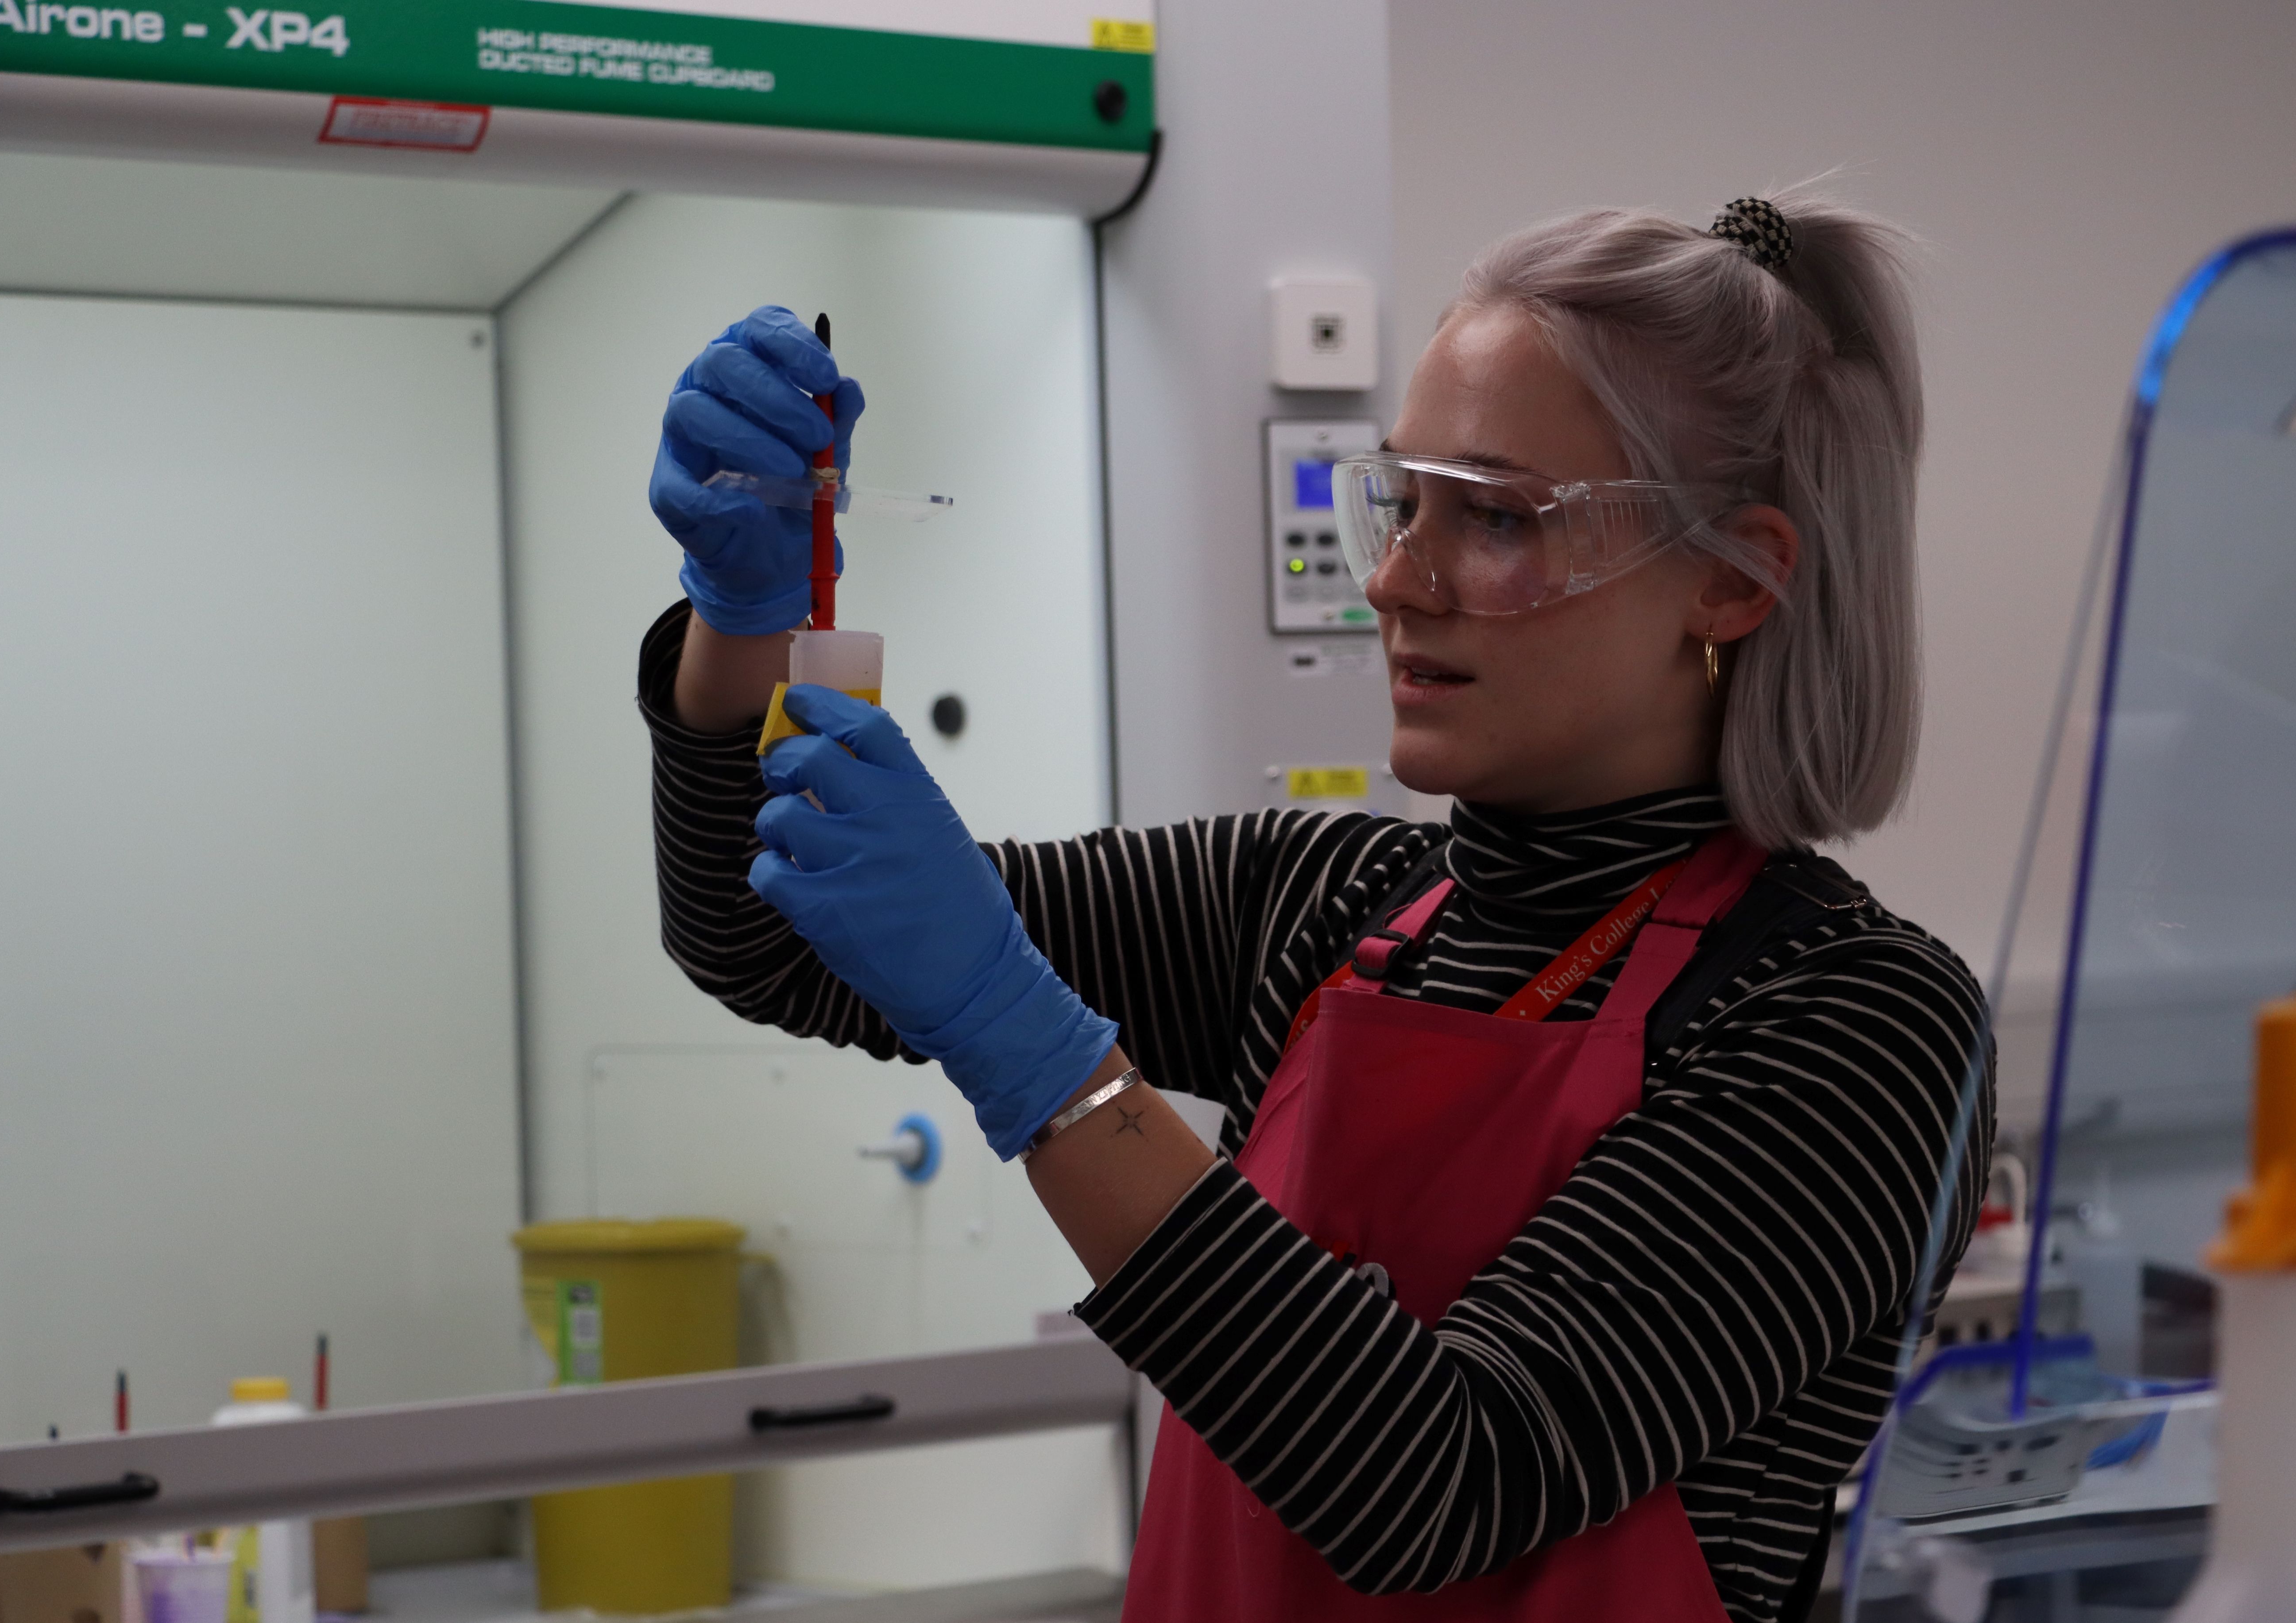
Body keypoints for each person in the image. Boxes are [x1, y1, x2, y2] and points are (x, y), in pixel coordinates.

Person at [640, 192, 1993, 1623]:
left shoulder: (1858, 1023)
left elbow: (1436, 1478)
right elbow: (775, 937)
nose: (1399, 583)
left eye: (1499, 519)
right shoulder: (1323, 899)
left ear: (1731, 579)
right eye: (1403, 505)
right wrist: (742, 627)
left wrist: (1035, 1052)